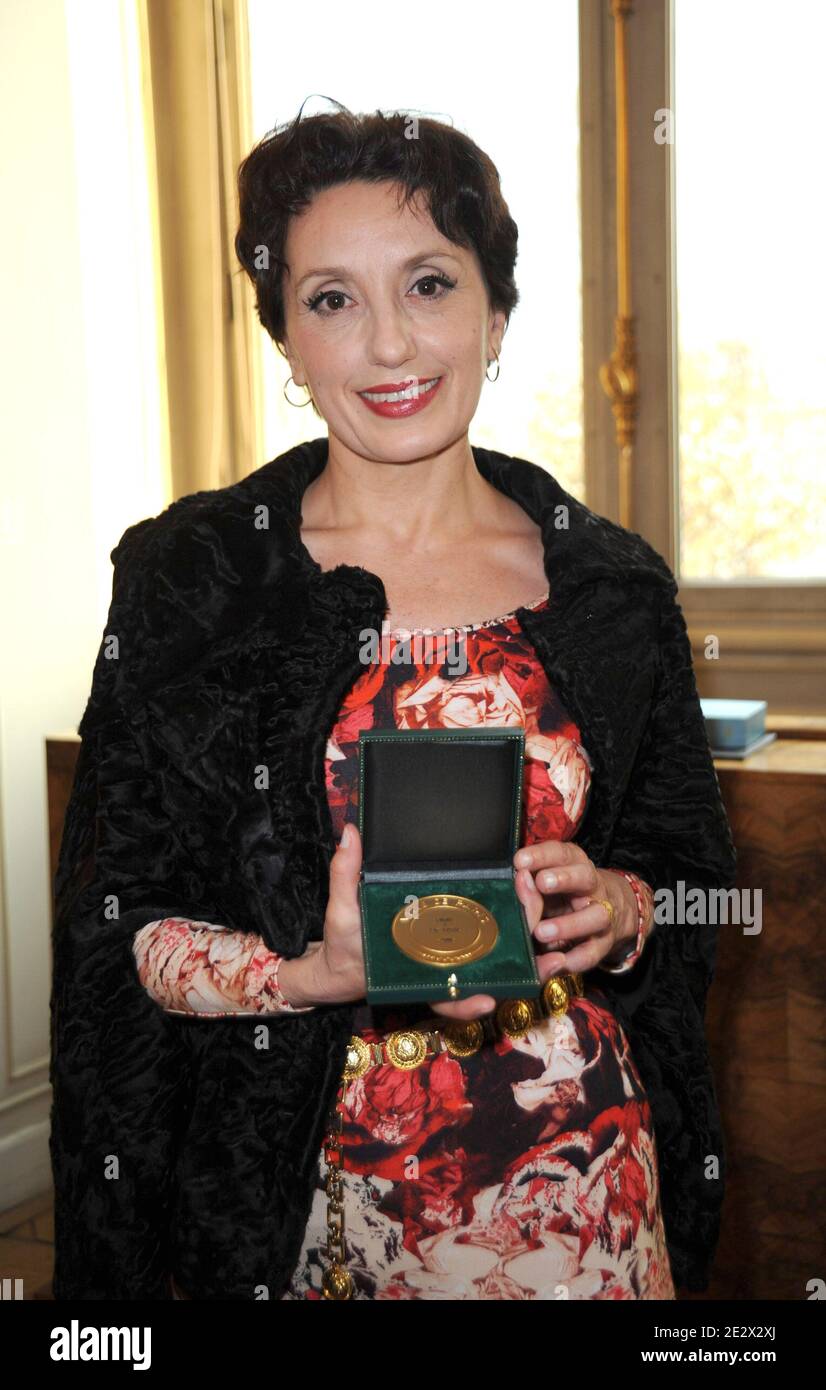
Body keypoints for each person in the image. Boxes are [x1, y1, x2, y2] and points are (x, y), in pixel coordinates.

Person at [49, 104, 736, 1301]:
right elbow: (121, 926)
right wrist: (307, 971)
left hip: (576, 1198)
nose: (386, 346)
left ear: (496, 313)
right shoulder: (196, 580)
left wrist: (619, 906)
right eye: (331, 299)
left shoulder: (611, 589)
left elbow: (689, 881)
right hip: (294, 1207)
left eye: (427, 283)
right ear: (286, 342)